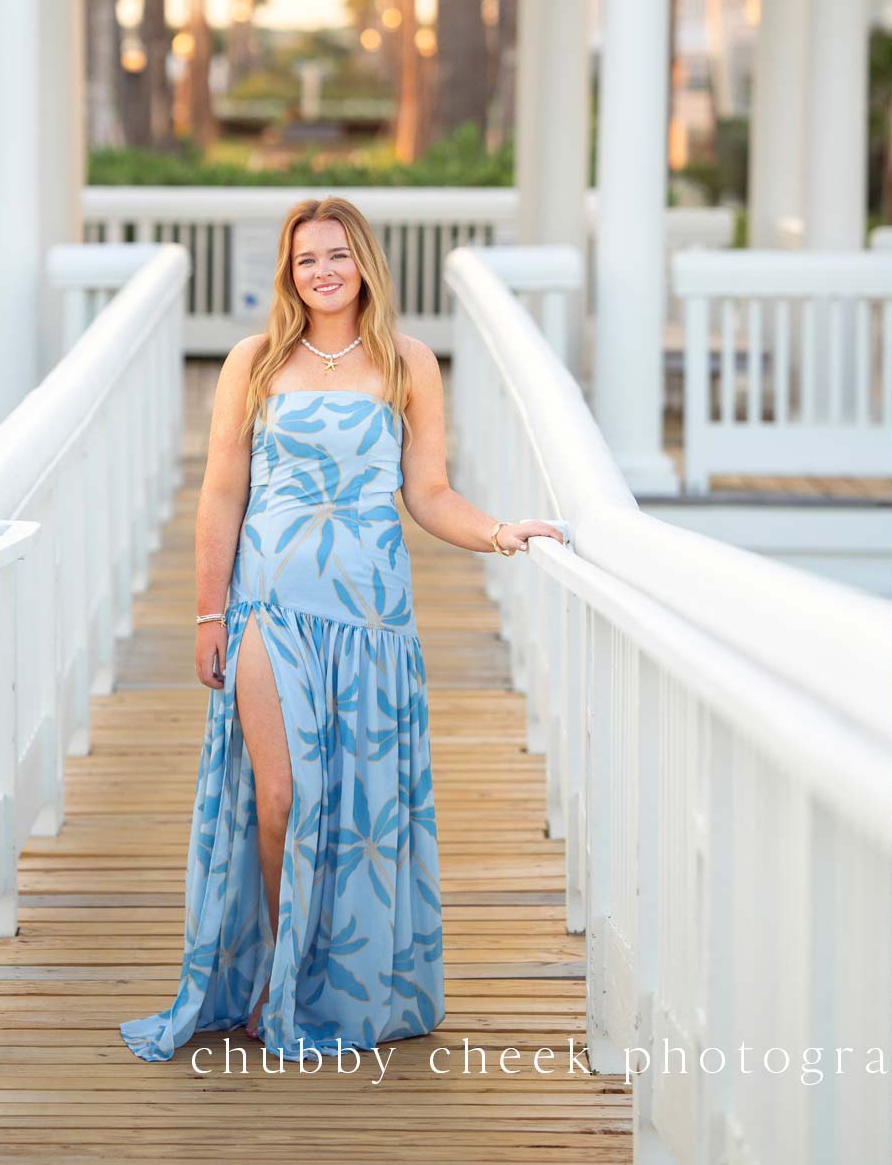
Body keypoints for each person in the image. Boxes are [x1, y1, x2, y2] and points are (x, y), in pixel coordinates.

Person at [121, 195, 564, 1061]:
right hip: (267, 605)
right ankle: (281, 979)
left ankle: (328, 982)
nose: (321, 271)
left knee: (351, 804)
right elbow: (221, 492)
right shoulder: (253, 360)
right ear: (288, 274)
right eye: (303, 260)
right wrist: (208, 609)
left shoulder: (407, 362)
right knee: (282, 797)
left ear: (363, 260)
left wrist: (501, 530)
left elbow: (427, 492)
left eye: (335, 254)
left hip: (369, 618)